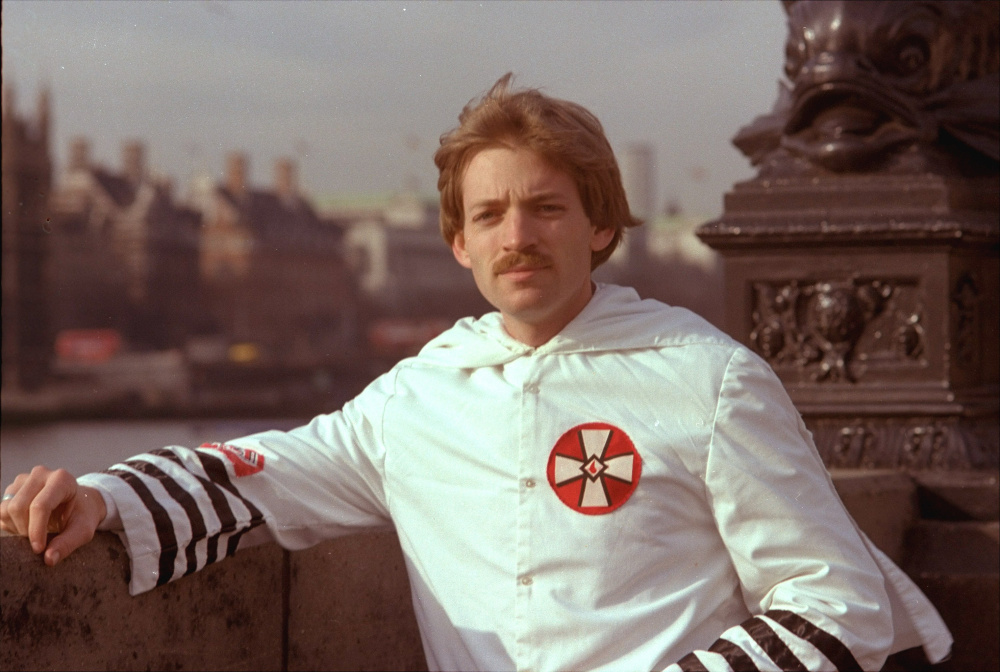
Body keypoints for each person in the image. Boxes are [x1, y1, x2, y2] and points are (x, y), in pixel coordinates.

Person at [1, 74, 951, 672]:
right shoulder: (422, 394)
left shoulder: (708, 379)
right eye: (490, 215)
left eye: (546, 207)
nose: (518, 236)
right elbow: (267, 477)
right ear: (457, 242)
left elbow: (835, 599)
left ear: (603, 226)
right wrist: (102, 501)